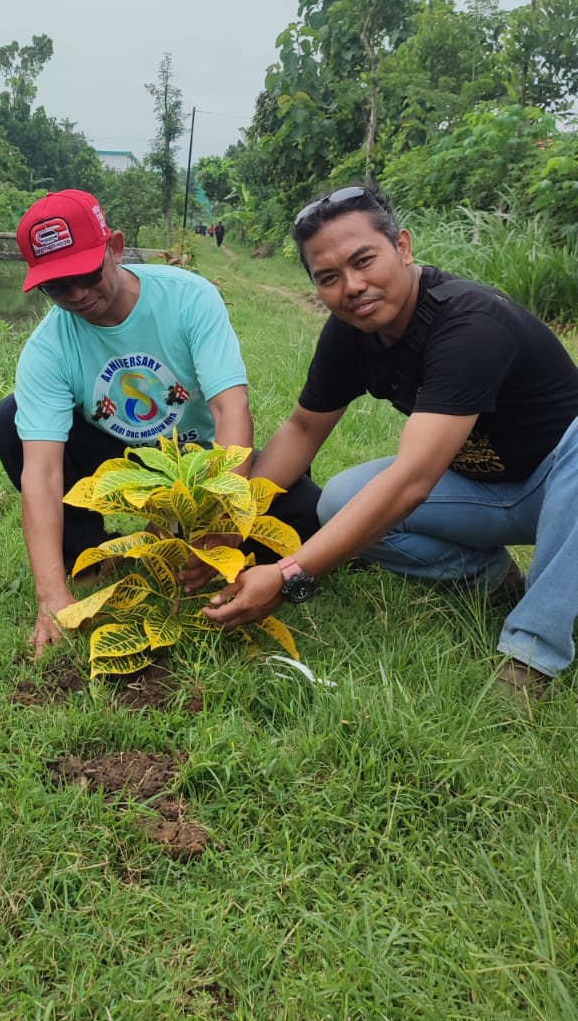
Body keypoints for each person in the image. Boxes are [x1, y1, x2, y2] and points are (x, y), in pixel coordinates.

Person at [204, 183, 578, 702]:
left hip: (560, 486)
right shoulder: (350, 333)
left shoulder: (470, 322)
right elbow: (303, 430)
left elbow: (411, 481)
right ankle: (493, 580)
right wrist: (225, 522)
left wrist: (289, 575)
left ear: (402, 247)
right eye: (329, 278)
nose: (352, 287)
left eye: (364, 261)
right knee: (340, 500)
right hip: (486, 489)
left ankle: (534, 651)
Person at [0, 189, 320, 656]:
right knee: (11, 419)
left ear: (115, 248)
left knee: (307, 512)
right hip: (126, 461)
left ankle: (196, 540)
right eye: (58, 287)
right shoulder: (48, 348)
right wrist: (51, 596)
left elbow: (230, 409)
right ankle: (86, 560)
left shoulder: (188, 299)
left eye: (86, 274)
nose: (78, 295)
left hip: (198, 466)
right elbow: (41, 474)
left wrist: (221, 518)